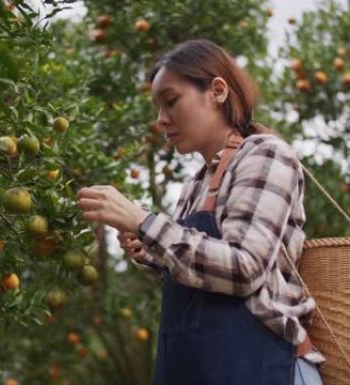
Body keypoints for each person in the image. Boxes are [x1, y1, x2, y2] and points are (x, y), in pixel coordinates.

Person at [76, 39, 325, 385]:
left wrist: (145, 222)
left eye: (171, 101)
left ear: (217, 91)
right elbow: (203, 278)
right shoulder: (196, 185)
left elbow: (244, 269)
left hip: (263, 365)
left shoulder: (266, 155)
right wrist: (151, 251)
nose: (161, 120)